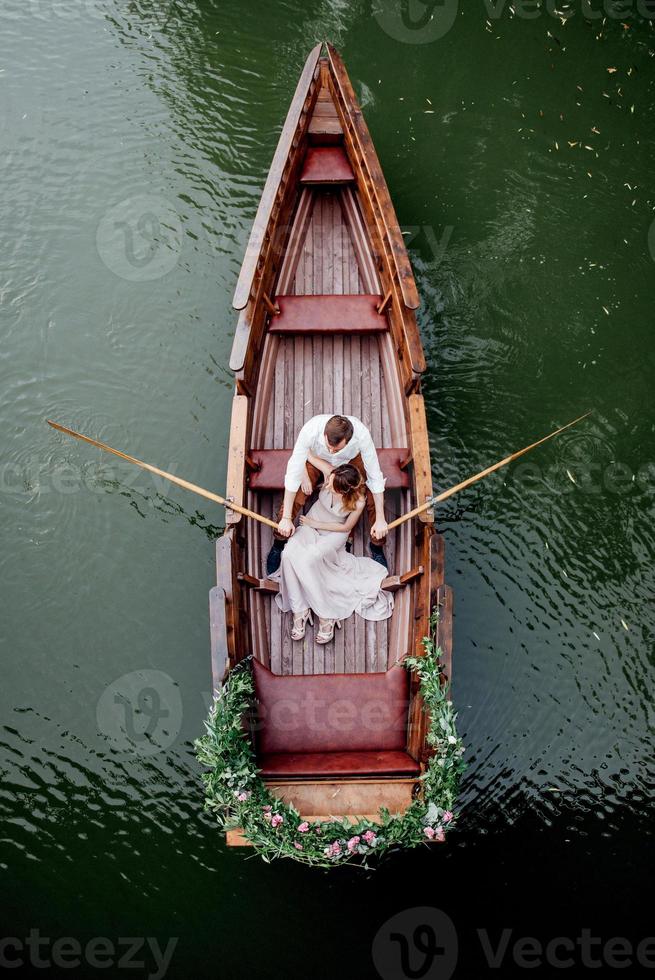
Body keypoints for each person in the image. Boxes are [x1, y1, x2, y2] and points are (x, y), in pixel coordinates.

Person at [269, 463, 394, 644]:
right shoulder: (331, 476)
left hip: (334, 533)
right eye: (329, 481)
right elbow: (306, 452)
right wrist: (304, 473)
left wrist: (315, 523)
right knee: (288, 553)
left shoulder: (358, 501)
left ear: (344, 492)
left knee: (310, 558)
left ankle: (326, 614)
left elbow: (345, 527)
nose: (326, 485)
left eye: (332, 486)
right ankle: (300, 609)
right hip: (310, 525)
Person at [265, 414, 388, 575]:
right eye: (329, 446)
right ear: (324, 434)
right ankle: (279, 541)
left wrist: (380, 519)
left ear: (349, 441)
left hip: (350, 462)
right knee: (297, 496)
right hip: (317, 460)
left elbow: (375, 477)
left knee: (371, 497)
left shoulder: (362, 436)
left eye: (336, 449)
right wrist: (287, 518)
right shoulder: (310, 430)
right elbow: (294, 472)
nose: (331, 451)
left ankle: (376, 545)